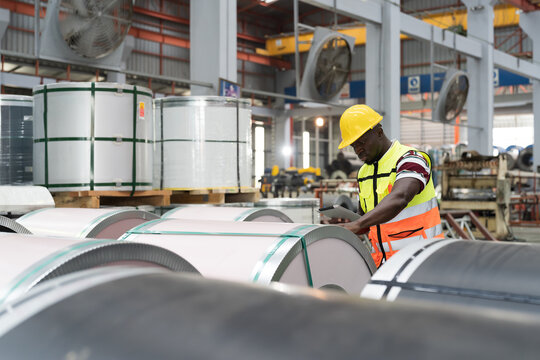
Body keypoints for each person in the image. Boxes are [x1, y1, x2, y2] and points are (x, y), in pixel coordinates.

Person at [336, 104, 443, 267]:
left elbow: (400, 197)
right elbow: (366, 221)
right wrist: (347, 225)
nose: (358, 150)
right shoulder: (363, 173)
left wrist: (357, 224)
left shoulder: (411, 159)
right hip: (383, 265)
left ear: (379, 132)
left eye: (362, 142)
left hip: (421, 261)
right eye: (353, 145)